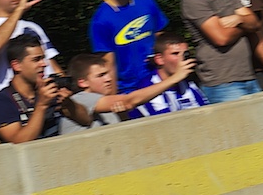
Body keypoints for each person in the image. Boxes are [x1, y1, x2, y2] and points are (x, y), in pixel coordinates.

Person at [181, 0, 262, 103]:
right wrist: (242, 19)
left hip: (248, 76)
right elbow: (221, 38)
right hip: (223, 83)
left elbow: (254, 23)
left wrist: (237, 20)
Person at [59, 50, 198, 134]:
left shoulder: (104, 103)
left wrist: (123, 116)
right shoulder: (80, 98)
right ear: (82, 82)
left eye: (107, 73)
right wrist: (174, 78)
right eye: (100, 76)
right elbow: (128, 101)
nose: (109, 79)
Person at [88, 0, 168, 94]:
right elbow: (108, 65)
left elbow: (162, 42)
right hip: (128, 90)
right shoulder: (100, 20)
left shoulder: (148, 4)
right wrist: (114, 100)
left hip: (158, 82)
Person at [0, 34, 87, 142]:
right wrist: (42, 106)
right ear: (16, 65)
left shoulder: (49, 90)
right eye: (36, 59)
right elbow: (18, 142)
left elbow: (86, 120)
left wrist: (69, 104)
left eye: (43, 58)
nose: (44, 64)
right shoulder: (0, 102)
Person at [0, 0, 62, 91]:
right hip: (13, 100)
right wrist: (19, 10)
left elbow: (51, 64)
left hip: (48, 95)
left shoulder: (32, 27)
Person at [131, 31, 210, 117]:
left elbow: (203, 111)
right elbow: (163, 121)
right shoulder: (148, 86)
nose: (182, 58)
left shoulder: (187, 82)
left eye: (185, 53)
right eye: (175, 54)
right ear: (159, 59)